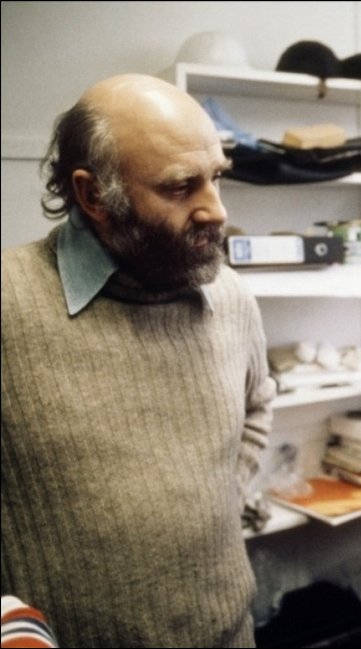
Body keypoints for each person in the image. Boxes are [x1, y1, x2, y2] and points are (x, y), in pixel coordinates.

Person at [0, 74, 275, 647]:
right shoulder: (9, 305)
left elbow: (259, 404)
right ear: (94, 195)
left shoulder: (230, 296)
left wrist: (213, 500)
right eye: (180, 187)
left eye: (217, 178)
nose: (215, 210)